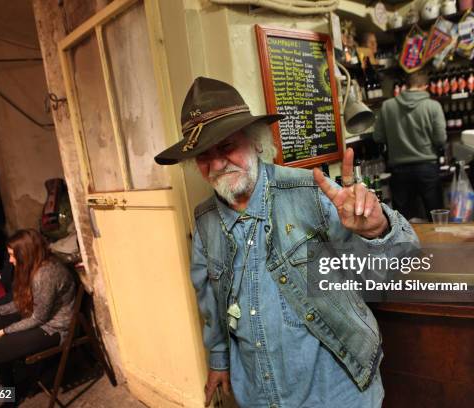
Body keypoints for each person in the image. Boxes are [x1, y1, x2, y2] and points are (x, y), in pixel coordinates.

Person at [154, 77, 419, 407]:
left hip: (337, 393)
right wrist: (218, 361)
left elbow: (400, 268)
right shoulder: (206, 219)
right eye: (204, 155)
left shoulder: (309, 192)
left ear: (256, 143)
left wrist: (376, 230)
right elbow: (211, 302)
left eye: (226, 146)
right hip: (258, 396)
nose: (217, 163)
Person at [0, 229, 75, 388]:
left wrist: (4, 331)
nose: (10, 260)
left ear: (25, 253)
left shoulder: (46, 274)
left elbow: (39, 318)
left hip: (52, 329)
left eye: (12, 255)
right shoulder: (33, 267)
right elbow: (21, 300)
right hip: (31, 316)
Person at [373, 70, 447, 221]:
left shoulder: (387, 106)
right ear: (426, 86)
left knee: (403, 221)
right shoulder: (433, 106)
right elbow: (440, 139)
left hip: (399, 171)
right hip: (427, 168)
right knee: (436, 217)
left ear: (406, 86)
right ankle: (440, 245)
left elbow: (378, 137)